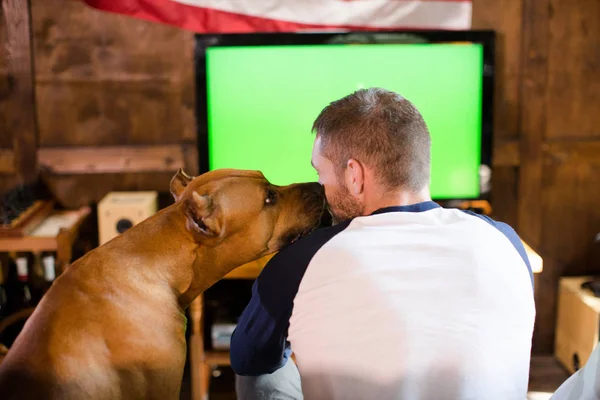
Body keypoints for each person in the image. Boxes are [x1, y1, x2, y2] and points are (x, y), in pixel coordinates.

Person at [229, 88, 535, 400]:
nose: (320, 187)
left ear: (354, 175)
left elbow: (248, 358)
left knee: (259, 378)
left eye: (320, 172)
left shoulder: (302, 259)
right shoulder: (504, 240)